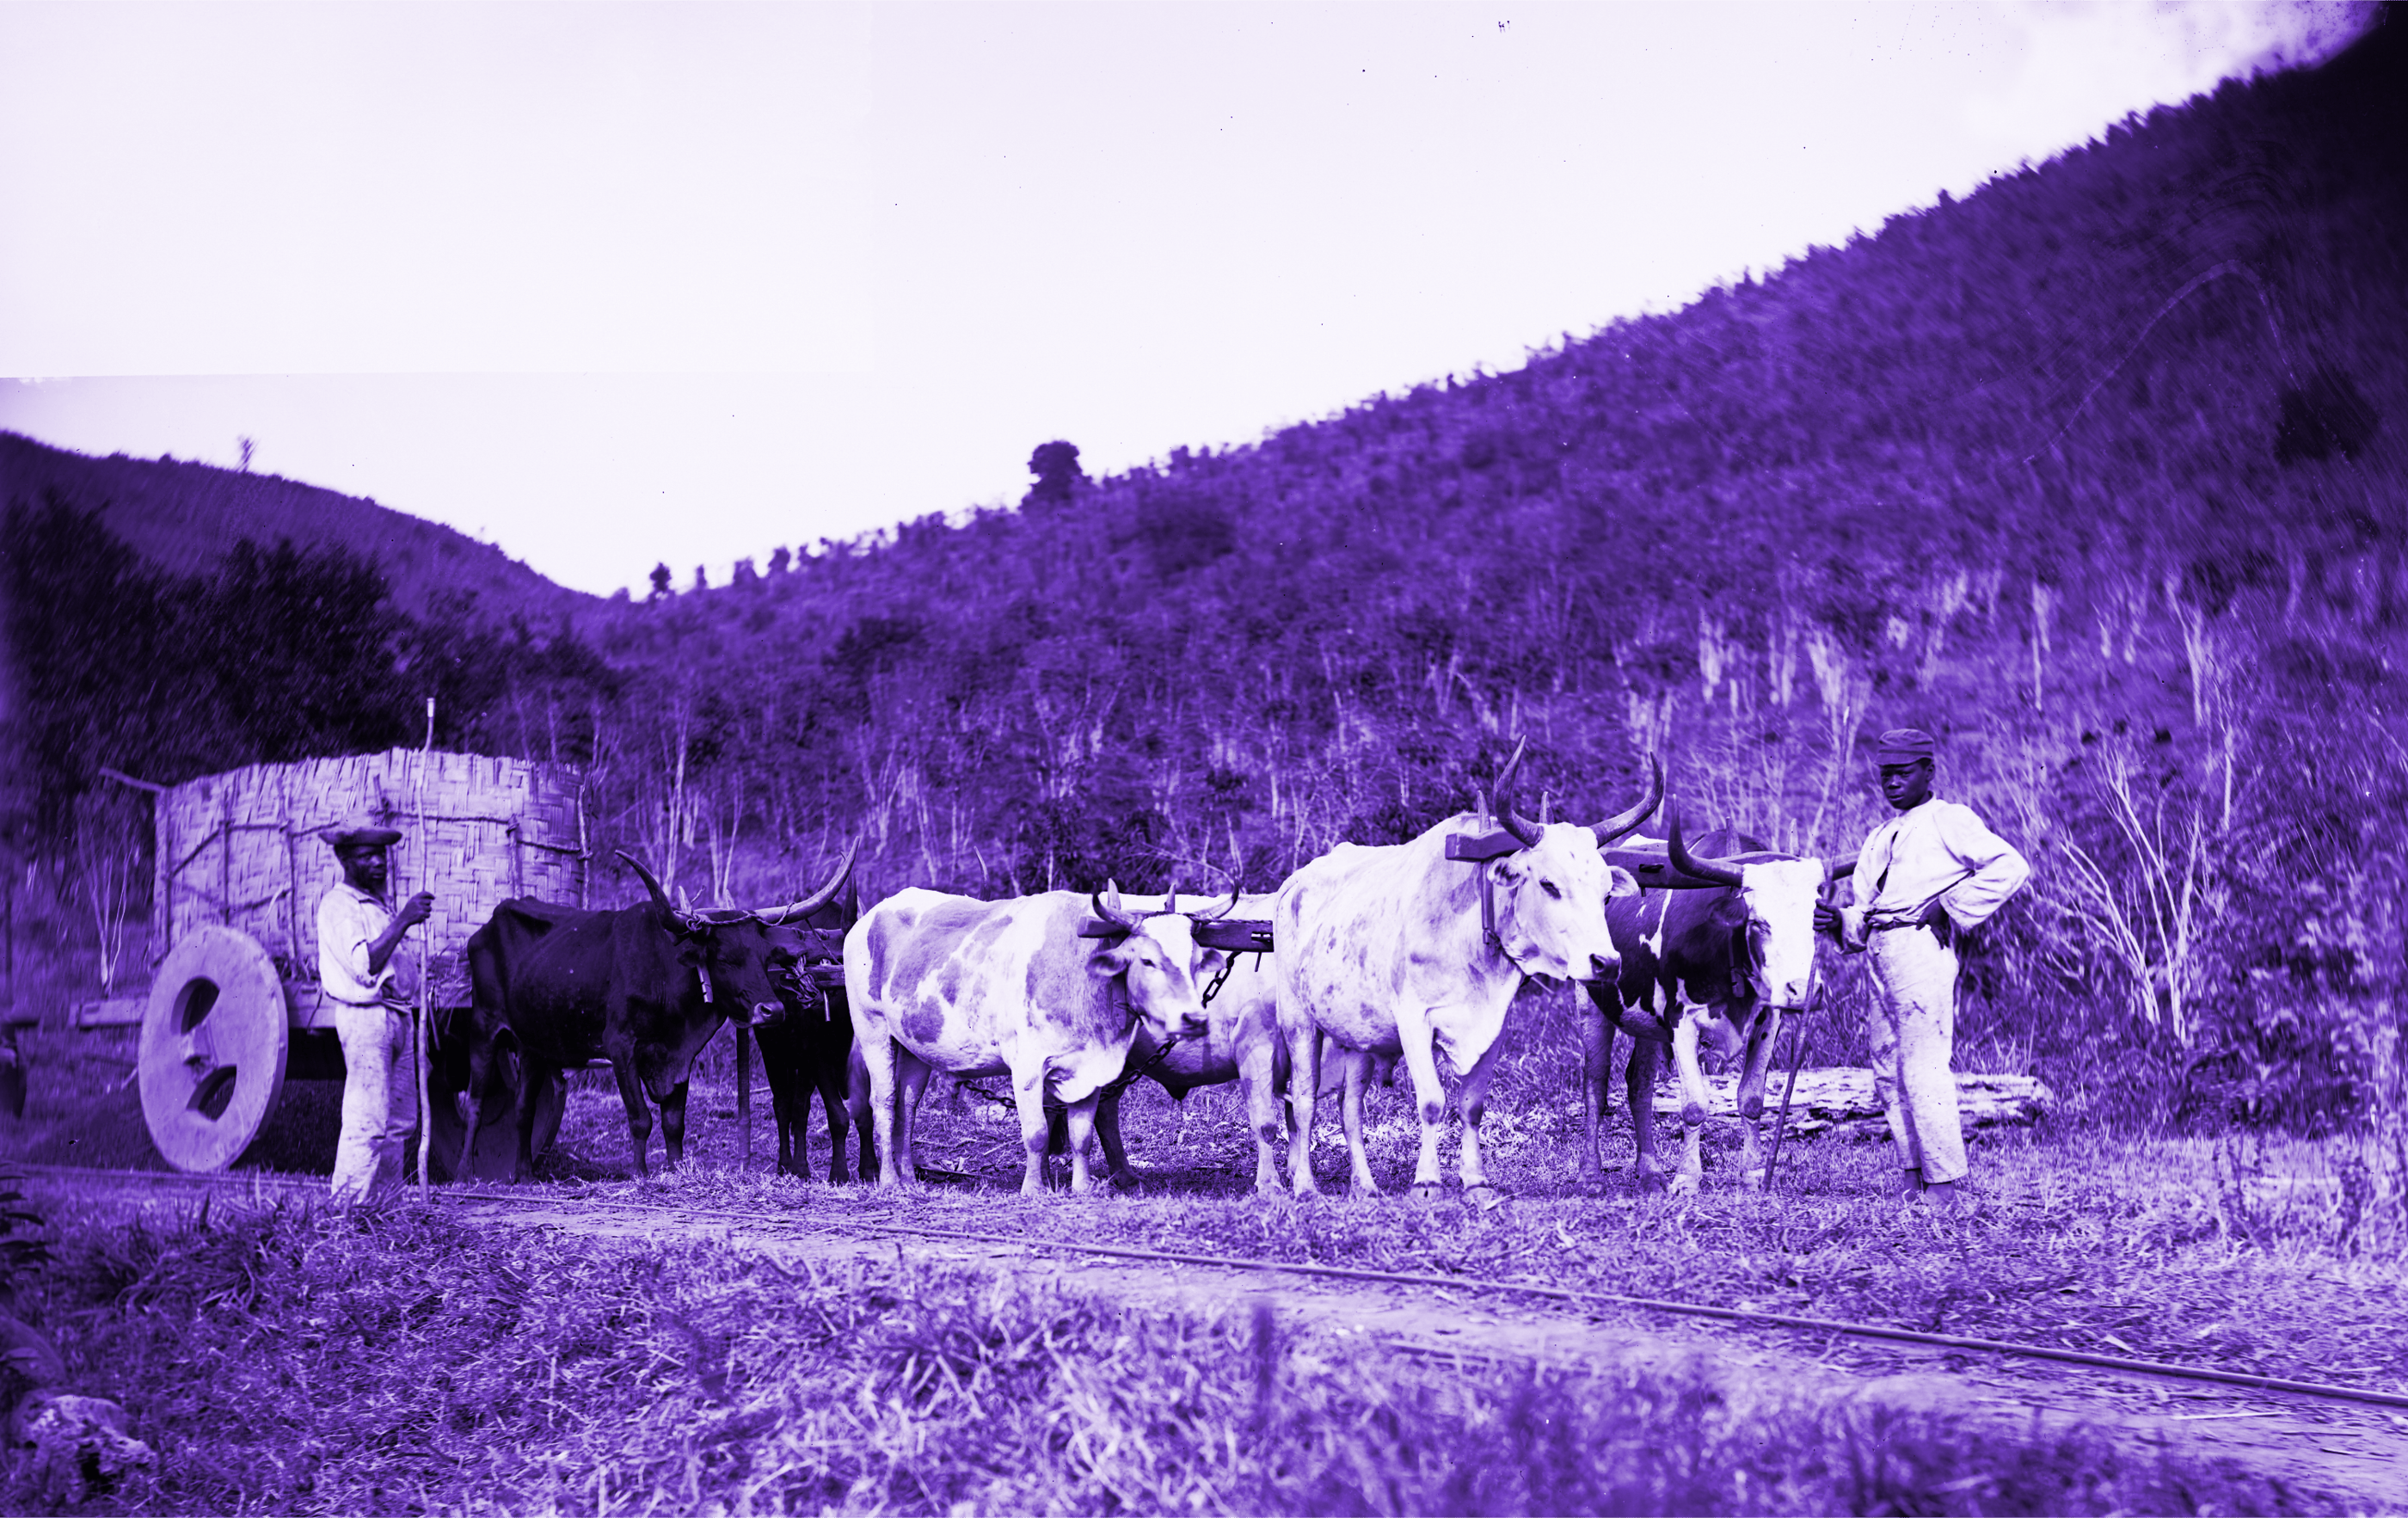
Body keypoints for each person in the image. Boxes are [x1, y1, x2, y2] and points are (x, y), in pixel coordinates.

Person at [1814, 729, 2029, 1216]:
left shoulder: (1949, 819)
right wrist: (1837, 922)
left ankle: (1945, 1185)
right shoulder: (1877, 837)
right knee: (1888, 1068)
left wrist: (1949, 906)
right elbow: (1865, 915)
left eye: (1903, 772)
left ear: (1928, 773)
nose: (1892, 782)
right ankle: (1912, 1176)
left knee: (1924, 1065)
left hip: (1921, 948)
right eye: (1885, 774)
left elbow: (2010, 866)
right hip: (1882, 951)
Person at [316, 814, 435, 1204]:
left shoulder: (376, 906)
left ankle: (382, 1209)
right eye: (369, 856)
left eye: (382, 855)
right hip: (367, 1018)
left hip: (396, 1015)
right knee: (367, 1119)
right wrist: (404, 920)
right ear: (346, 860)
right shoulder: (339, 906)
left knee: (400, 1122)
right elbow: (365, 963)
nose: (380, 862)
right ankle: (345, 1212)